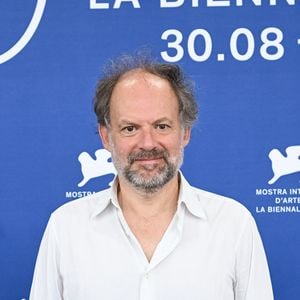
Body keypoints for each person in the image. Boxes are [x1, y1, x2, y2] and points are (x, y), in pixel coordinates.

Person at [30, 55, 273, 300]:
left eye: (161, 126)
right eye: (130, 128)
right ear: (106, 137)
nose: (147, 143)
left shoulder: (233, 224)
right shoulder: (65, 227)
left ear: (185, 132)